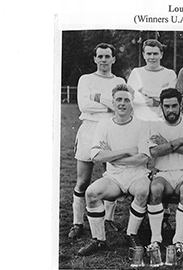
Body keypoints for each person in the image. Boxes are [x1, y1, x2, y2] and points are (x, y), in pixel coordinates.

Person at [77, 84, 151, 256]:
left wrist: (110, 156)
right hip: (113, 176)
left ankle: (131, 234)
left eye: (126, 100)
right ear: (113, 102)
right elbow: (95, 155)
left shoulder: (142, 125)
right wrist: (125, 151)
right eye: (119, 99)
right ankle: (99, 239)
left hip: (137, 174)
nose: (122, 103)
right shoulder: (103, 124)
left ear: (132, 103)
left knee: (142, 191)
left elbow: (143, 157)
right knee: (91, 193)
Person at [69, 43, 125, 240]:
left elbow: (121, 105)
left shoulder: (119, 80)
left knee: (112, 177)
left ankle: (108, 220)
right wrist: (109, 105)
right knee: (83, 180)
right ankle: (77, 223)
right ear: (94, 59)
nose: (103, 60)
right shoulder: (86, 79)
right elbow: (83, 104)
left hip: (112, 131)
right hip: (89, 129)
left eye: (107, 56)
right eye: (100, 56)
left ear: (113, 59)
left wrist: (99, 99)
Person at [146, 88, 183, 254]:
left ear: (180, 106)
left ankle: (179, 240)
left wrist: (167, 144)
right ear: (161, 106)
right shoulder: (155, 123)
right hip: (163, 172)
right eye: (166, 106)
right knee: (154, 189)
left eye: (174, 106)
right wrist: (180, 141)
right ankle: (155, 239)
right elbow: (154, 152)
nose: (170, 110)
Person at [128, 39, 177, 122]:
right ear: (144, 55)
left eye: (155, 54)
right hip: (140, 120)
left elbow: (169, 98)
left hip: (162, 121)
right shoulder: (136, 73)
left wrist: (144, 91)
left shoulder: (170, 74)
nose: (152, 57)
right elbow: (131, 97)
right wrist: (153, 101)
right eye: (149, 54)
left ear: (161, 55)